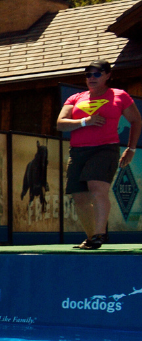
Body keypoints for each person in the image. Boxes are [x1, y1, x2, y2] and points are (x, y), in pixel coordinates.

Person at [57, 60, 142, 249]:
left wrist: (131, 149)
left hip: (105, 148)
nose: (91, 78)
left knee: (96, 187)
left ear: (108, 75)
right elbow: (61, 123)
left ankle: (99, 234)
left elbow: (136, 121)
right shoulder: (76, 98)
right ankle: (92, 237)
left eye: (97, 74)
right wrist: (85, 121)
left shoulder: (120, 96)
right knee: (79, 196)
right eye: (88, 74)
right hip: (78, 150)